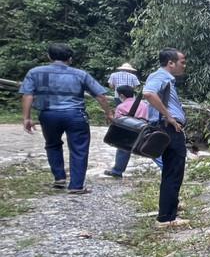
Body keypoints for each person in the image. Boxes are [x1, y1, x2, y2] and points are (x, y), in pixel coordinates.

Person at [19, 43, 114, 193]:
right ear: (70, 59)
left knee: (52, 144)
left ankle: (59, 178)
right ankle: (76, 185)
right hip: (75, 115)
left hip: (48, 115)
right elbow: (100, 96)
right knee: (79, 149)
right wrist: (108, 113)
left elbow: (28, 95)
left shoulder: (34, 72)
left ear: (49, 57)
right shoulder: (80, 74)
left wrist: (26, 118)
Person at [143, 49, 189, 227]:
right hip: (168, 128)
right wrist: (169, 117)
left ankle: (168, 212)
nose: (184, 66)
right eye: (182, 62)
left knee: (171, 171)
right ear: (171, 63)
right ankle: (167, 218)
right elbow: (148, 93)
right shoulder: (161, 76)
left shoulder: (165, 79)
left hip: (167, 127)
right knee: (174, 171)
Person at [103, 85, 158, 178]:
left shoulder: (121, 107)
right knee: (149, 150)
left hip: (128, 133)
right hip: (142, 132)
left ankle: (117, 171)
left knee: (122, 149)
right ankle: (164, 167)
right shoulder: (144, 105)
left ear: (121, 96)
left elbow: (117, 123)